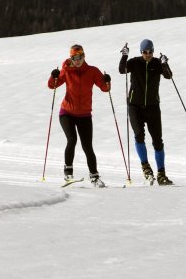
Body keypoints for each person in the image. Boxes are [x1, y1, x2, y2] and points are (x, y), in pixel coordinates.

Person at [48, 44, 111, 187]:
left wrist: (107, 80)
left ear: (84, 56)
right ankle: (68, 173)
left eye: (79, 57)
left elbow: (105, 88)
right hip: (67, 113)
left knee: (87, 146)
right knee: (72, 139)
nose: (77, 60)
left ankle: (94, 177)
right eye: (74, 58)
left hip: (84, 115)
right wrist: (54, 76)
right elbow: (52, 85)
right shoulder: (66, 71)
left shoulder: (92, 71)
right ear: (71, 58)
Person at [119, 38, 173, 184]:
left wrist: (164, 63)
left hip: (153, 107)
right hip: (134, 106)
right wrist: (124, 55)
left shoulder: (156, 63)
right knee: (139, 136)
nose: (148, 54)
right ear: (141, 52)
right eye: (145, 52)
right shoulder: (135, 62)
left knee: (157, 141)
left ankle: (161, 174)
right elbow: (121, 70)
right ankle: (146, 167)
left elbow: (169, 75)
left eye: (150, 51)